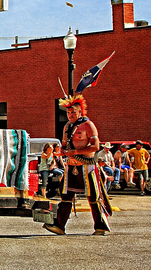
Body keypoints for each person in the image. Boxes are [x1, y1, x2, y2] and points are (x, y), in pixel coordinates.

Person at [43, 95, 111, 236]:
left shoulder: (88, 125)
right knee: (66, 197)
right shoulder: (67, 126)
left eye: (73, 112)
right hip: (71, 166)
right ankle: (59, 226)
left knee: (93, 197)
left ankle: (101, 226)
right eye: (68, 113)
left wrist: (76, 152)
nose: (70, 115)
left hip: (87, 167)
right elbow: (64, 146)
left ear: (80, 112)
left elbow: (96, 146)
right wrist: (62, 152)